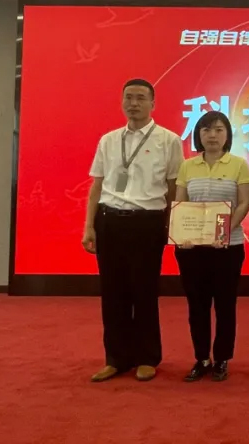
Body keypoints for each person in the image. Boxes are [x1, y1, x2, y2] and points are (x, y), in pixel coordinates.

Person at [82, 78, 184, 383]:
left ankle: (147, 357)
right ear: (122, 102)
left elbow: (173, 187)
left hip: (147, 222)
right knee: (112, 293)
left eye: (141, 98)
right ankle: (116, 358)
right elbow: (97, 185)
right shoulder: (109, 140)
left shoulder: (169, 140)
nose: (134, 103)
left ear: (153, 103)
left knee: (144, 291)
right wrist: (89, 226)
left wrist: (172, 224)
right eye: (128, 97)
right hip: (109, 220)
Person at [173, 111, 249, 382]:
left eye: (219, 130)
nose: (212, 135)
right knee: (197, 305)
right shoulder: (187, 166)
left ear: (227, 135)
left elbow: (245, 202)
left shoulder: (238, 164)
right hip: (192, 248)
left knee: (224, 305)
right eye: (206, 130)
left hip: (228, 247)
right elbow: (181, 204)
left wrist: (226, 229)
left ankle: (221, 359)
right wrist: (182, 232)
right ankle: (201, 358)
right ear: (198, 134)